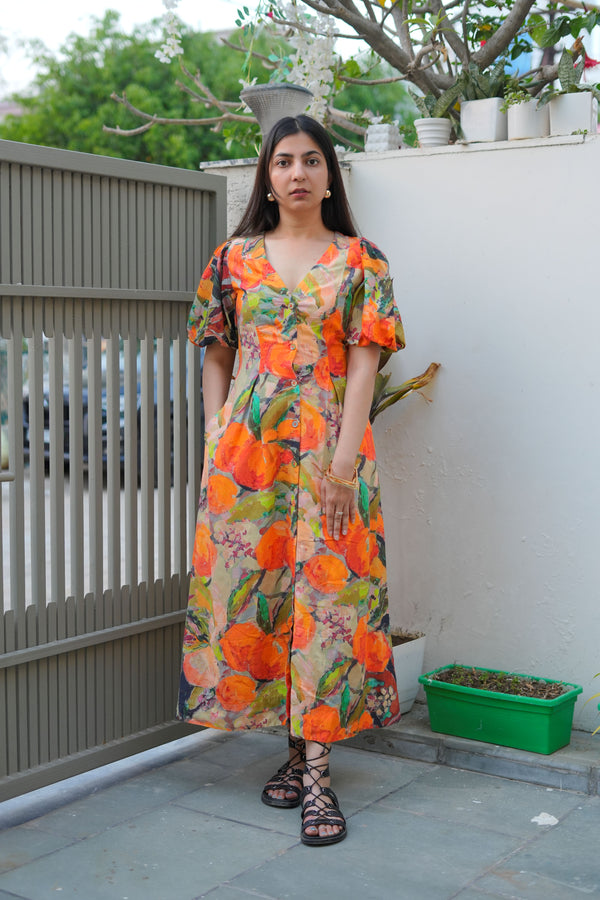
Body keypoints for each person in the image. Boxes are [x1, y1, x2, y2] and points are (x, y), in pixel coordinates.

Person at [178, 115, 405, 847]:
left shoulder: (361, 259)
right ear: (267, 177)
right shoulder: (233, 259)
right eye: (284, 162)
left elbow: (367, 360)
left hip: (330, 454)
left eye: (312, 160)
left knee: (328, 600)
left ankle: (317, 780)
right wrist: (217, 431)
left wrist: (344, 465)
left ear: (330, 175)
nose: (298, 173)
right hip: (247, 461)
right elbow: (215, 349)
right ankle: (293, 752)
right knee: (267, 596)